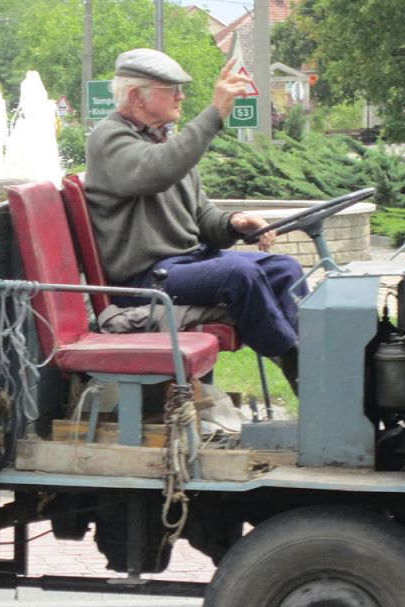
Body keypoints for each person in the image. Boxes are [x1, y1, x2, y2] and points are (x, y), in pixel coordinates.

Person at [84, 48, 304, 391]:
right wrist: (214, 114)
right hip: (143, 282)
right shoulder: (109, 138)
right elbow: (157, 171)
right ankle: (296, 361)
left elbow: (203, 217)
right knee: (239, 274)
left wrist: (235, 222)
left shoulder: (166, 143)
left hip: (186, 265)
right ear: (135, 96)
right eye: (171, 89)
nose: (181, 95)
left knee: (284, 268)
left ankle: (310, 355)